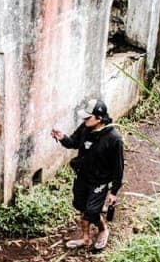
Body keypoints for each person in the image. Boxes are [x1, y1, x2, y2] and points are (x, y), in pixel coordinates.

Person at [50, 99, 124, 250]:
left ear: (100, 118)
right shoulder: (85, 128)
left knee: (92, 210)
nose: (84, 120)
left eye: (88, 117)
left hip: (100, 181)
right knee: (82, 206)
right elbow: (73, 143)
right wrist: (62, 137)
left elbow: (118, 168)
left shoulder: (114, 139)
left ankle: (103, 229)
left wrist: (114, 192)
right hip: (82, 176)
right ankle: (86, 239)